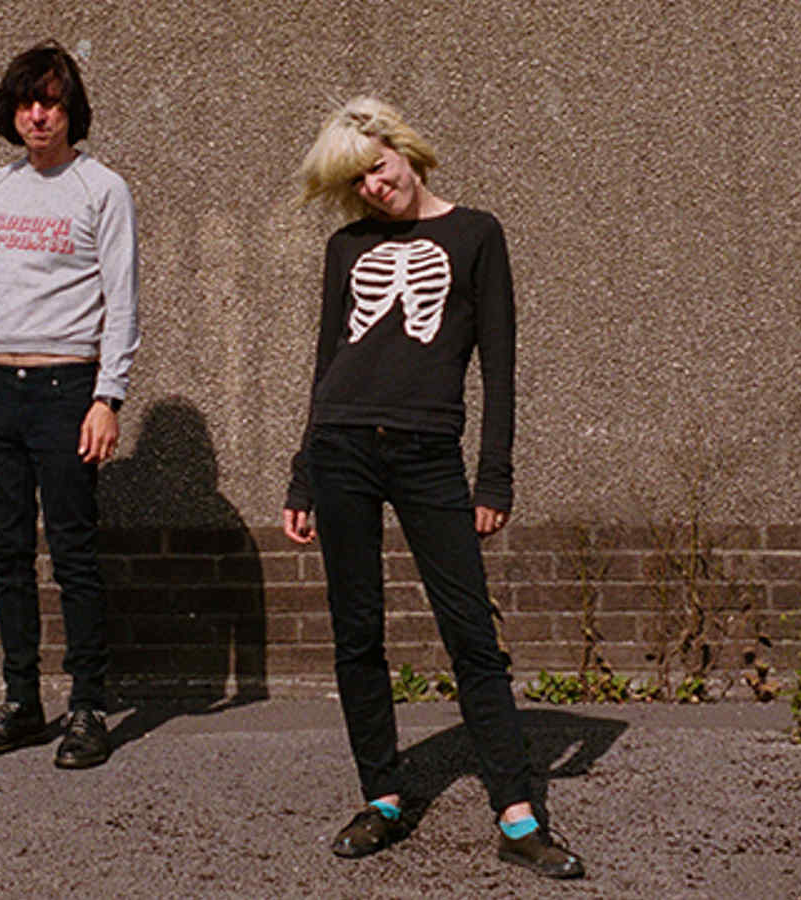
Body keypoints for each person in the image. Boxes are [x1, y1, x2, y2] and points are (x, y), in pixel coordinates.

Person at [282, 97, 584, 879]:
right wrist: (303, 473)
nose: (374, 187)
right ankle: (381, 797)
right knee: (357, 632)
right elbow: (326, 363)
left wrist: (495, 474)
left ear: (404, 150)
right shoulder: (347, 247)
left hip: (427, 453)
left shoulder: (476, 234)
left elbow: (500, 363)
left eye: (377, 169)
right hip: (342, 445)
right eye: (357, 181)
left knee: (472, 634)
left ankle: (517, 814)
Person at [0, 41, 138, 770]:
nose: (38, 115)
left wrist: (108, 396)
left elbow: (122, 302)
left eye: (51, 102)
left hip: (67, 392)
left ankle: (88, 706)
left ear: (70, 111)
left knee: (73, 553)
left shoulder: (102, 189)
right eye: (28, 102)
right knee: (7, 553)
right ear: (12, 111)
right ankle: (22, 703)